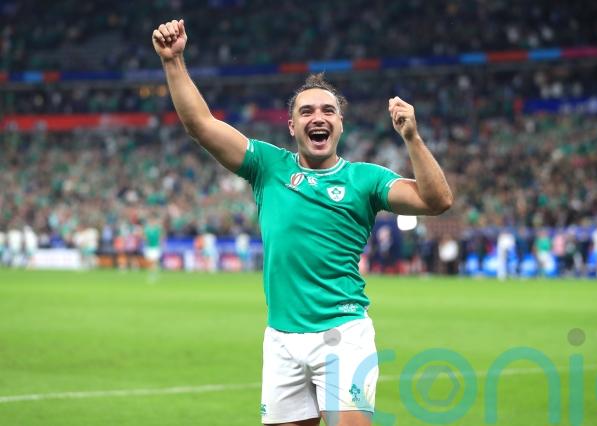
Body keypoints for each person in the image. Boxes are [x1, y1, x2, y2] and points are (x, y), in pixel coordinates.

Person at [153, 19, 453, 426]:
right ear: (292, 126)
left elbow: (437, 200)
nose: (318, 117)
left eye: (328, 110)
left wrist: (412, 139)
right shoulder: (267, 166)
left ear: (340, 124)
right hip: (281, 338)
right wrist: (173, 62)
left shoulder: (365, 179)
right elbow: (200, 125)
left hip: (342, 335)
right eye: (306, 111)